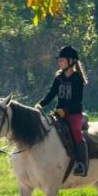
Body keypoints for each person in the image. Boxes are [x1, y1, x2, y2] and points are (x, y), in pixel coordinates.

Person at [38, 45, 88, 176]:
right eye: (59, 60)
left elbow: (76, 101)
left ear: (71, 61)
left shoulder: (77, 79)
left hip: (73, 114)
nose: (59, 62)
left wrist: (64, 111)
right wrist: (40, 104)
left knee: (76, 133)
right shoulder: (58, 77)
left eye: (62, 60)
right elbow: (51, 93)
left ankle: (82, 164)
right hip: (59, 113)